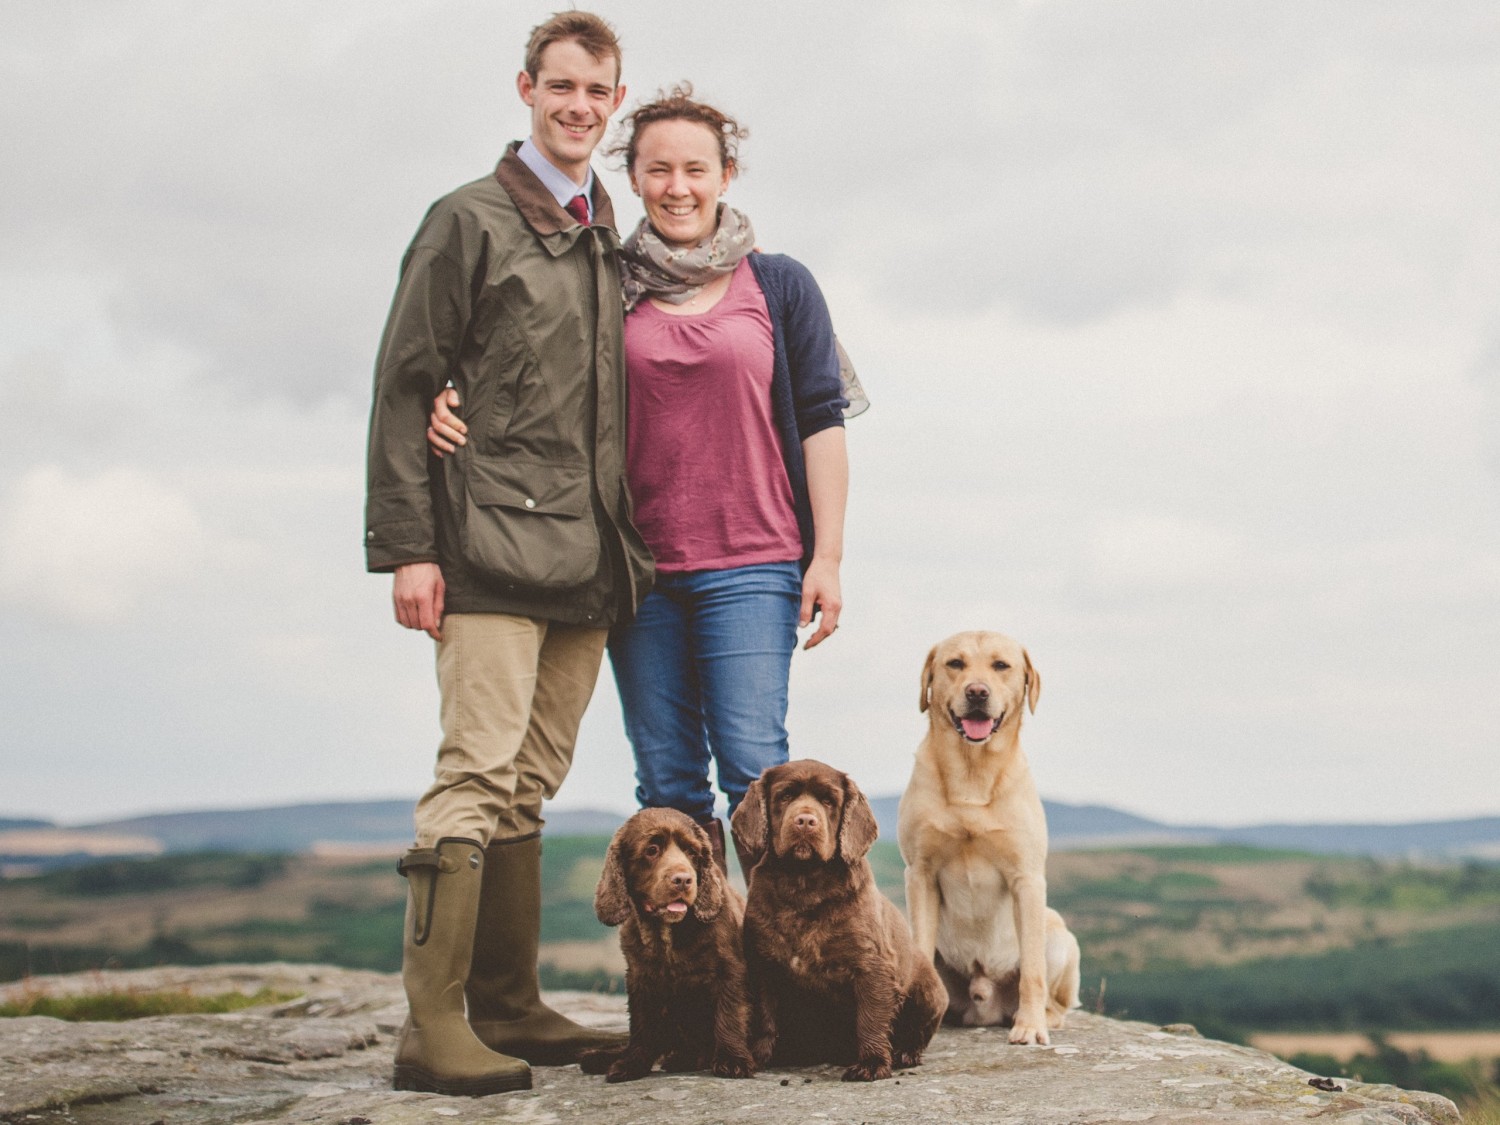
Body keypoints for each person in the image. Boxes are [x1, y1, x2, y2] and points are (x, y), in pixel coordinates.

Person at [429, 85, 851, 877]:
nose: (678, 187)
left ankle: (783, 985)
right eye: (659, 170)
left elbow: (821, 421)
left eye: (696, 168)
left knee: (757, 775)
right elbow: (522, 362)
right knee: (667, 785)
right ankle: (696, 988)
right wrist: (444, 394)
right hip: (635, 569)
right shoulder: (602, 282)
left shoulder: (780, 286)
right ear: (635, 179)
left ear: (726, 174)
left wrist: (826, 556)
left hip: (754, 566)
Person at [364, 11, 652, 1098]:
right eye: (561, 87)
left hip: (587, 559)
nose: (579, 106)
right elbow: (406, 386)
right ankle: (429, 1032)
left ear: (613, 104)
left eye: (597, 92)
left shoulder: (601, 231)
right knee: (474, 774)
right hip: (481, 548)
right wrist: (409, 548)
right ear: (525, 89)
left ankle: (508, 1006)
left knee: (531, 782)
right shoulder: (467, 221)